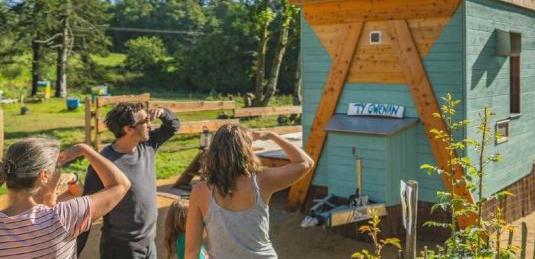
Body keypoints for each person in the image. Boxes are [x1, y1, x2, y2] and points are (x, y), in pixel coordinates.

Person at [185, 124, 314, 259]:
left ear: (214, 152)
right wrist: (272, 136)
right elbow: (305, 163)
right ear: (246, 150)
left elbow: (192, 249)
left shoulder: (200, 191)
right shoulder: (262, 181)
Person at [77, 102, 180, 259]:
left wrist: (163, 113)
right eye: (145, 122)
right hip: (120, 249)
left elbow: (173, 126)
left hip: (149, 244)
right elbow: (86, 211)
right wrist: (75, 251)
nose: (150, 126)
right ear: (128, 128)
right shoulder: (104, 163)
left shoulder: (148, 144)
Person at [0, 138, 131, 258]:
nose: (60, 172)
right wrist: (84, 149)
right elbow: (120, 185)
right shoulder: (61, 217)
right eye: (57, 167)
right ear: (44, 176)